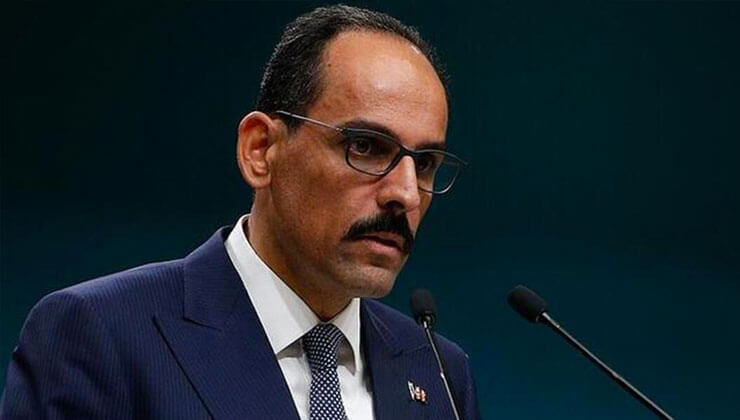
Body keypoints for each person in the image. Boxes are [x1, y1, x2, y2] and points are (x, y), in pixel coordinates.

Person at [1, 5, 480, 419]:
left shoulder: (438, 371)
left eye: (425, 163)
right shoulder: (103, 335)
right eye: (366, 147)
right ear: (260, 150)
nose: (406, 194)